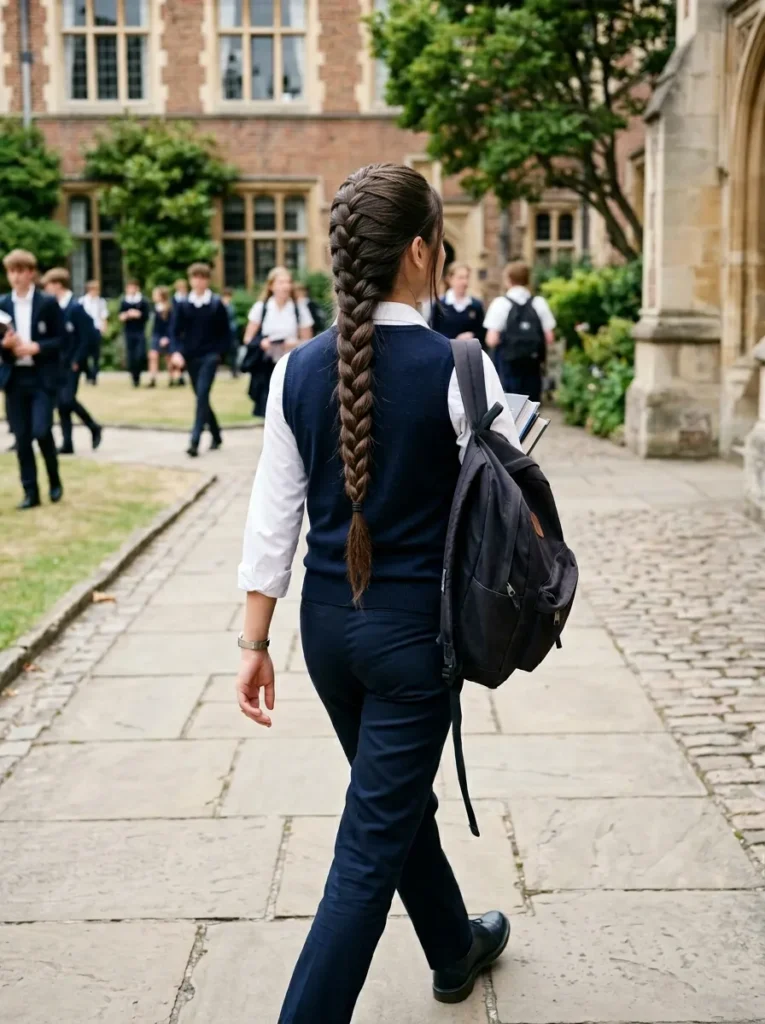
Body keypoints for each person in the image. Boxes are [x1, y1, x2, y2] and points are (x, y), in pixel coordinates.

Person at [236, 164, 515, 1023]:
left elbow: (272, 519)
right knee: (365, 851)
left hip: (326, 634)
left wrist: (253, 644)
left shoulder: (295, 371)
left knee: (389, 803)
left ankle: (453, 947)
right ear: (422, 253)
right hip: (413, 641)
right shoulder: (461, 367)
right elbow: (511, 514)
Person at [0, 249, 64, 509]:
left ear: (30, 273)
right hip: (15, 378)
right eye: (11, 271)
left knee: (41, 430)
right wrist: (6, 346)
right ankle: (30, 492)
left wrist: (37, 347)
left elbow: (62, 340)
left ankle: (54, 479)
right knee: (22, 437)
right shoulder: (3, 304)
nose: (15, 277)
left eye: (20, 271)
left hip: (41, 377)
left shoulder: (47, 303)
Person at [169, 262, 230, 458]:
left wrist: (220, 354)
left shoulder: (216, 304)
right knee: (201, 397)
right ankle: (216, 434)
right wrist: (176, 352)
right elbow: (175, 332)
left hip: (210, 356)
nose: (199, 281)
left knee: (202, 394)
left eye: (202, 277)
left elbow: (225, 333)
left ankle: (194, 441)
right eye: (195, 277)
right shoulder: (183, 305)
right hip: (191, 357)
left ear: (207, 280)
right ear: (190, 280)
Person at [41, 267, 103, 455]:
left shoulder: (76, 308)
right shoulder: (54, 307)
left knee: (66, 400)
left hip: (72, 363)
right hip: (58, 362)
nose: (46, 290)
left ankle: (93, 426)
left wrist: (78, 359)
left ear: (58, 285)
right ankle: (68, 443)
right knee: (62, 404)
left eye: (48, 286)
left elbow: (87, 337)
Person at [243, 266, 313, 417]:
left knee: (290, 406)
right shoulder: (261, 308)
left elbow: (308, 341)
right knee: (268, 407)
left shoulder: (299, 308)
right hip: (267, 364)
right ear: (271, 286)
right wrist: (262, 343)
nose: (285, 286)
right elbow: (248, 338)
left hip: (291, 363)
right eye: (281, 282)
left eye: (288, 282)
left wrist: (291, 343)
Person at [484, 260, 556, 401]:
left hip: (508, 366)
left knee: (511, 403)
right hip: (533, 364)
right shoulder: (539, 303)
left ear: (508, 279)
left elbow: (491, 340)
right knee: (532, 404)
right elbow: (550, 338)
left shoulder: (500, 303)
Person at [430, 262, 486, 345]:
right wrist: (453, 340)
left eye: (467, 277)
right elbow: (433, 332)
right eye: (460, 278)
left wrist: (473, 335)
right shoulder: (439, 305)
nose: (465, 282)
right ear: (450, 279)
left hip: (470, 351)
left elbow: (483, 333)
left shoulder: (475, 305)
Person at [118, 280, 150, 388]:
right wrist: (127, 315)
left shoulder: (142, 301)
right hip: (129, 331)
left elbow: (147, 316)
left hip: (140, 331)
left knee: (140, 354)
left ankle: (139, 372)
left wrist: (138, 315)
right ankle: (134, 378)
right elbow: (120, 316)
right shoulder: (124, 301)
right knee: (131, 355)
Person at [79, 278, 108, 384]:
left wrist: (104, 327)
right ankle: (88, 374)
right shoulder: (82, 301)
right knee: (84, 355)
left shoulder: (101, 302)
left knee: (96, 355)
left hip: (96, 329)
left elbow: (103, 315)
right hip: (84, 330)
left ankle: (94, 377)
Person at [148, 285, 172, 388]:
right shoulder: (154, 308)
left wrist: (166, 337)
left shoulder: (169, 309)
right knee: (153, 356)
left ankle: (172, 378)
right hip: (156, 335)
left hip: (166, 336)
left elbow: (171, 325)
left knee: (168, 357)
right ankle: (152, 379)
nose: (153, 296)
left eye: (155, 294)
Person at [170, 278, 189, 387]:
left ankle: (181, 375)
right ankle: (174, 377)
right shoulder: (173, 300)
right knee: (174, 353)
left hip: (186, 331)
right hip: (175, 330)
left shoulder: (189, 299)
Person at [221, 287, 240, 378]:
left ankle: (234, 370)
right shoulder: (221, 306)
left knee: (233, 351)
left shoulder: (231, 306)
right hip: (223, 333)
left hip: (231, 333)